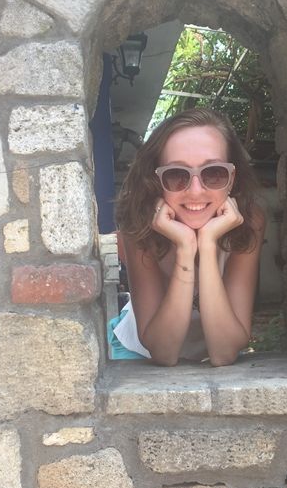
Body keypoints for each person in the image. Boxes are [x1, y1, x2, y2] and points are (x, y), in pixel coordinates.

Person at [110, 107, 265, 366]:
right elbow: (162, 352)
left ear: (231, 177)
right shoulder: (138, 222)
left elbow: (224, 352)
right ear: (155, 180)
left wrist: (207, 244)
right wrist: (185, 247)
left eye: (213, 173)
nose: (195, 191)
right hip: (138, 354)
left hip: (210, 353)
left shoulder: (250, 220)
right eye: (176, 175)